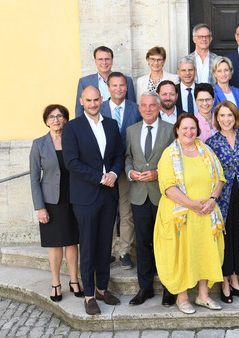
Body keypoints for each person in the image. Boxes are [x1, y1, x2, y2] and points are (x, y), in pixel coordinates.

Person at [154, 113, 226, 315]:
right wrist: (192, 204)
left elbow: (220, 177)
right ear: (177, 129)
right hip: (181, 216)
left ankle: (203, 295)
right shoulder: (169, 154)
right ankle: (182, 297)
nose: (189, 132)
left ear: (198, 130)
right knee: (183, 255)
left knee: (205, 252)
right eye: (184, 128)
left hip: (206, 214)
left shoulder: (206, 151)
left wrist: (212, 199)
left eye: (192, 128)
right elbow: (168, 187)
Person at [62, 86, 124, 315]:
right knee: (87, 246)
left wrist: (114, 174)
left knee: (104, 244)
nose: (93, 103)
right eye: (88, 100)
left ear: (102, 100)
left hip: (108, 195)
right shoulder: (72, 127)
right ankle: (89, 295)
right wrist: (99, 178)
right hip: (85, 196)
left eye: (96, 100)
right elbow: (71, 162)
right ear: (81, 101)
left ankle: (101, 289)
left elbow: (119, 154)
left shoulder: (110, 124)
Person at [125, 92, 175, 306]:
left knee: (166, 243)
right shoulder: (130, 131)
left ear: (159, 108)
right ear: (139, 108)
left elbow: (175, 160)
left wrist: (158, 174)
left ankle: (169, 288)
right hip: (138, 195)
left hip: (163, 195)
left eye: (152, 106)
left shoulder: (170, 130)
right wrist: (130, 173)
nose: (148, 109)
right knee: (143, 244)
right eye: (144, 106)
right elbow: (127, 157)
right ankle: (145, 288)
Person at [30, 104, 83, 303]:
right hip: (51, 201)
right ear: (46, 121)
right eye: (51, 117)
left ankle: (74, 280)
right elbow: (34, 178)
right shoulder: (39, 144)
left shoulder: (73, 140)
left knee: (72, 241)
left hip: (73, 198)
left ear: (66, 120)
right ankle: (55, 283)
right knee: (55, 245)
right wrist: (40, 207)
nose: (56, 120)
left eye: (60, 116)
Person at [205, 101, 239, 304]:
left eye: (230, 116)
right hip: (221, 197)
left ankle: (235, 280)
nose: (226, 119)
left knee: (238, 235)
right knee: (223, 238)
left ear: (236, 118)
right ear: (217, 119)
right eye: (222, 116)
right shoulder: (211, 142)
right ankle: (224, 282)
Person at [98, 72, 142, 270]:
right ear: (108, 87)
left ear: (127, 87)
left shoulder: (136, 108)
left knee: (126, 212)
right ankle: (107, 251)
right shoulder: (99, 108)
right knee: (107, 211)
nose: (118, 89)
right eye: (114, 85)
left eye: (122, 85)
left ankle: (124, 252)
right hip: (106, 169)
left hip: (128, 166)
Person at [75, 46, 136, 115]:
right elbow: (80, 110)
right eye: (100, 59)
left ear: (112, 60)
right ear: (95, 61)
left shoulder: (126, 80)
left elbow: (132, 108)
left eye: (107, 59)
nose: (104, 62)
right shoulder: (84, 82)